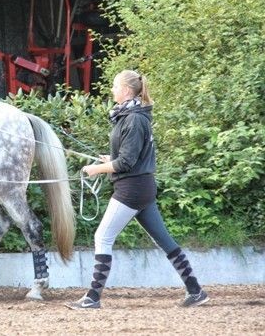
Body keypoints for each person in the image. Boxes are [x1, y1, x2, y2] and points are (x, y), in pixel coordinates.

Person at [66, 70, 209, 309]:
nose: (112, 90)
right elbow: (129, 156)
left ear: (125, 90)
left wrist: (97, 168)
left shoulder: (133, 119)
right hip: (140, 187)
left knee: (102, 237)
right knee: (163, 240)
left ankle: (92, 298)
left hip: (131, 190)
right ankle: (196, 291)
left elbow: (126, 163)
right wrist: (108, 158)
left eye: (114, 86)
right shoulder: (132, 116)